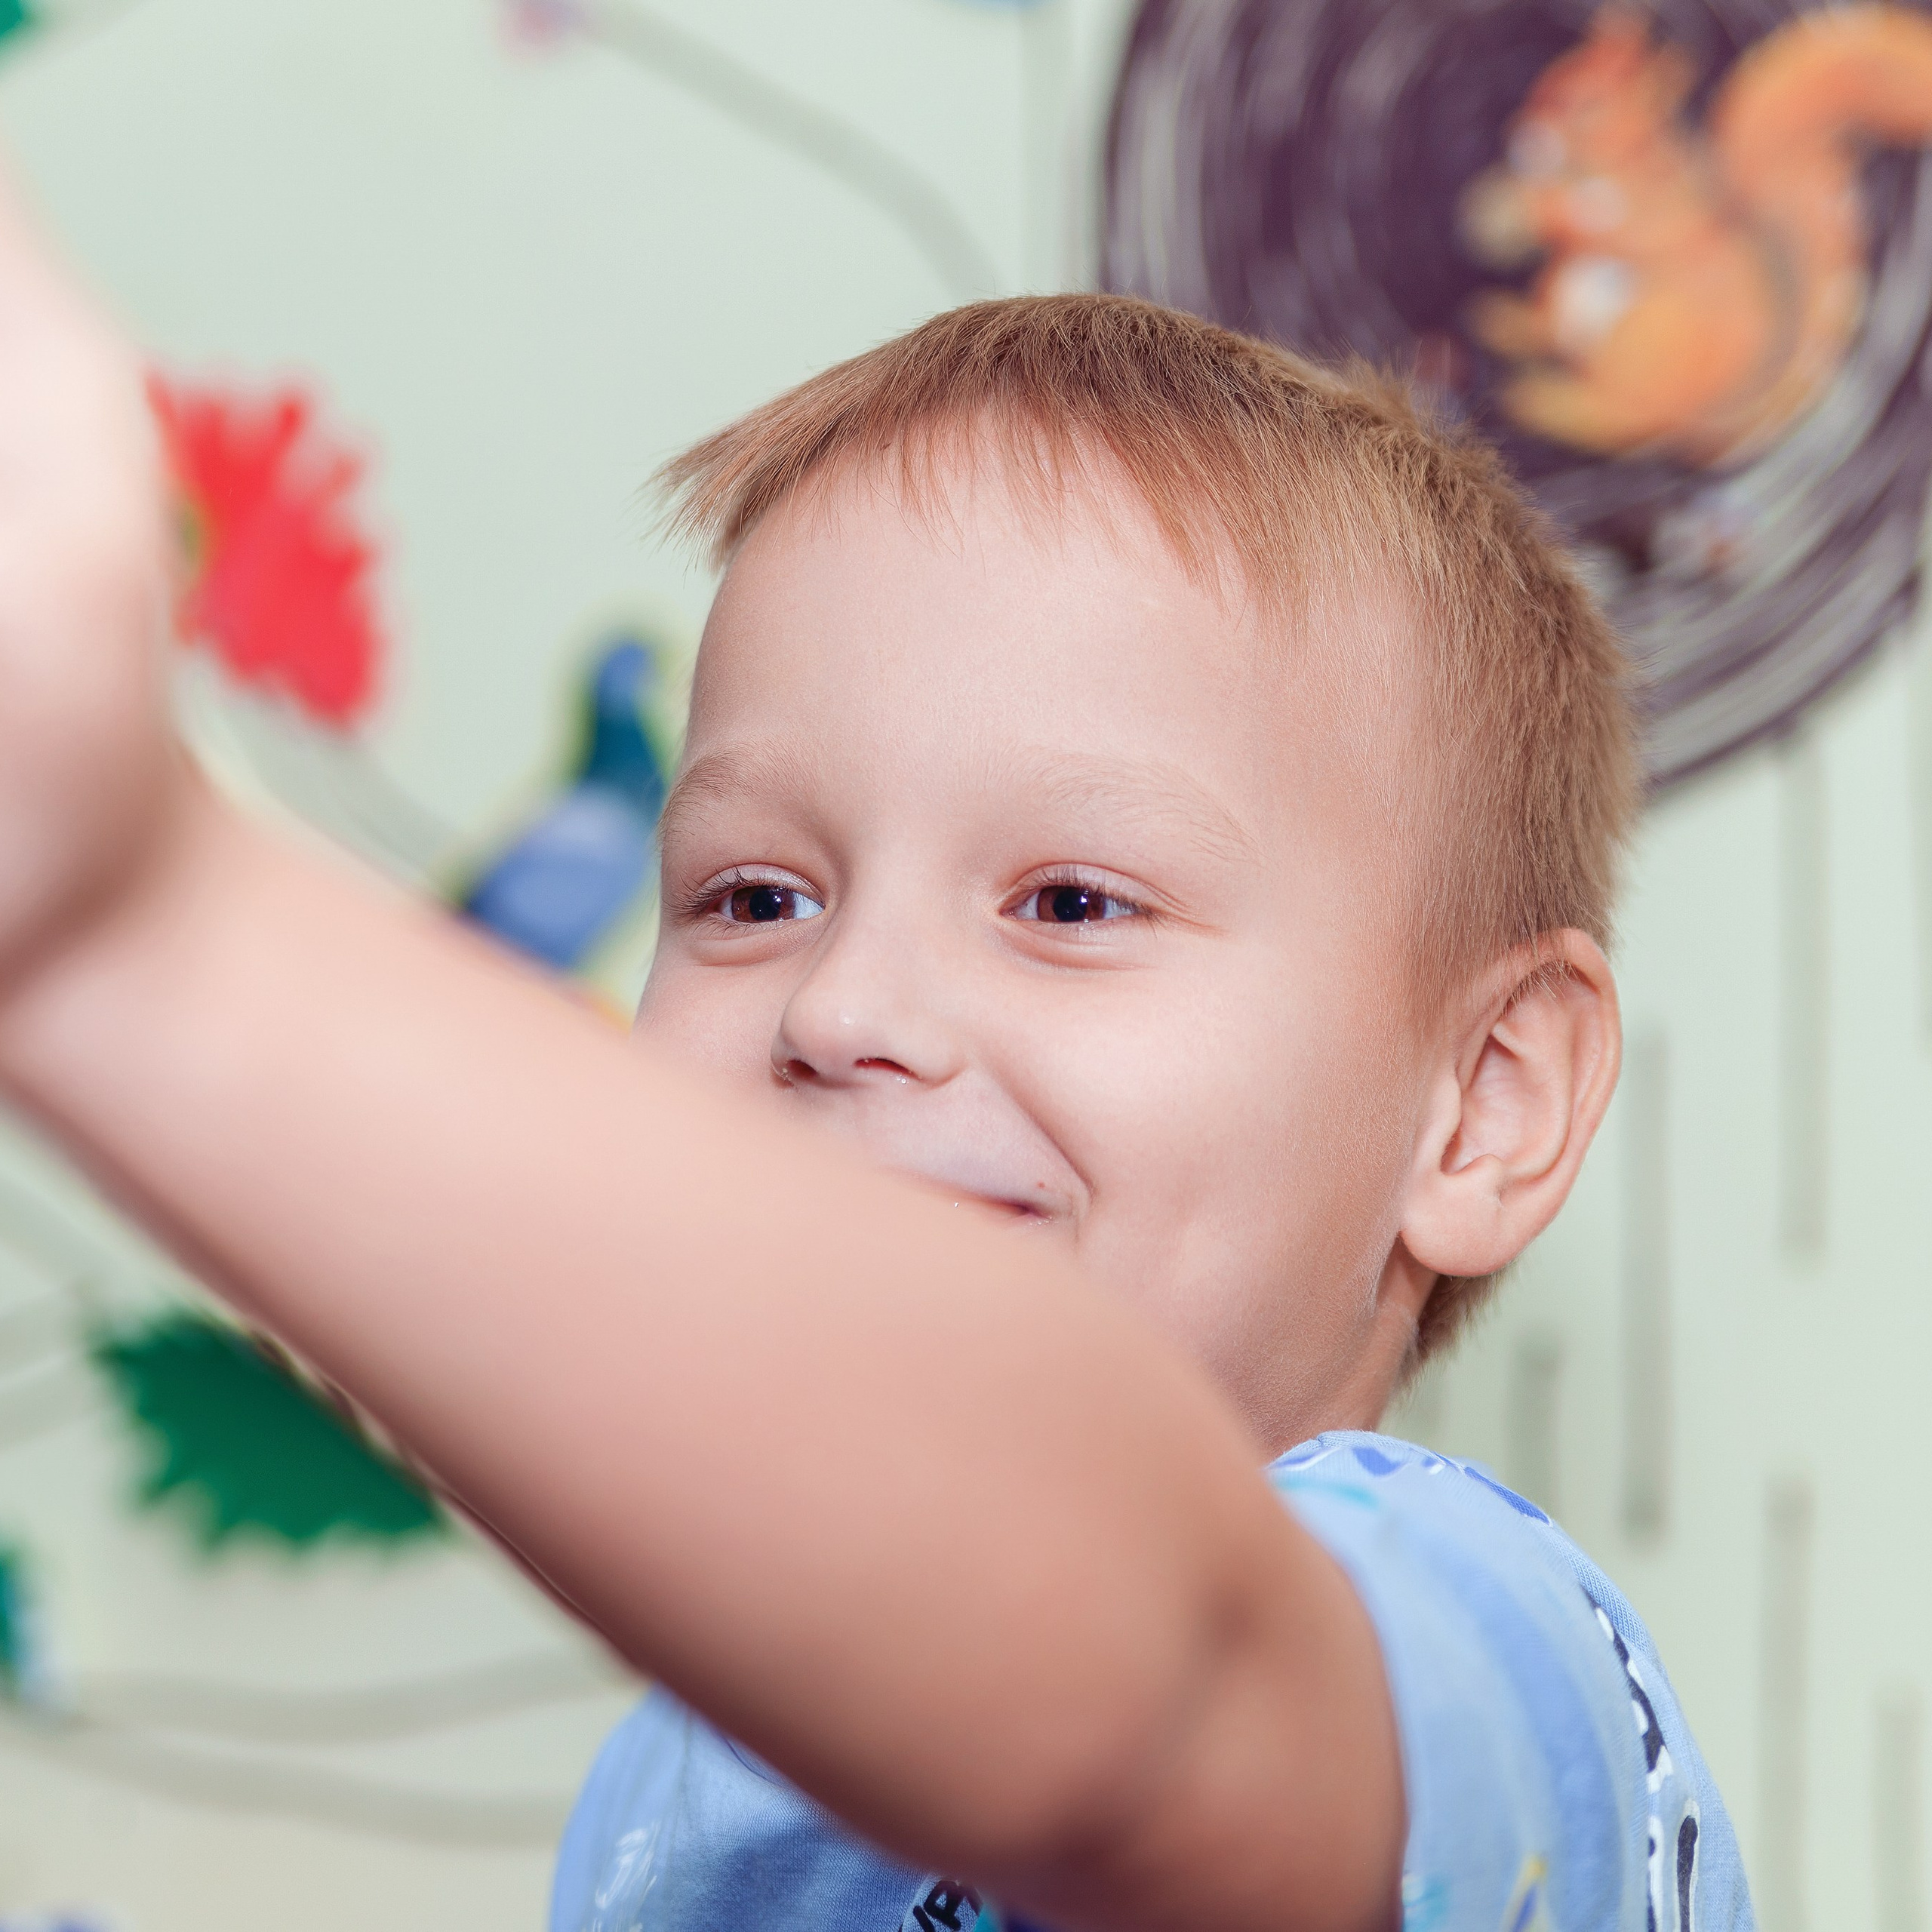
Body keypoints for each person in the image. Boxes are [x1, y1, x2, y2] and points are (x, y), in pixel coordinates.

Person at [0, 168, 1748, 1931]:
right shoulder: (684, 1780)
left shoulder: (1481, 1644)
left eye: (1069, 902)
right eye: (754, 896)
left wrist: (130, 929)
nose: (839, 1009)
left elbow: (1161, 1706)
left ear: (1481, 1104)